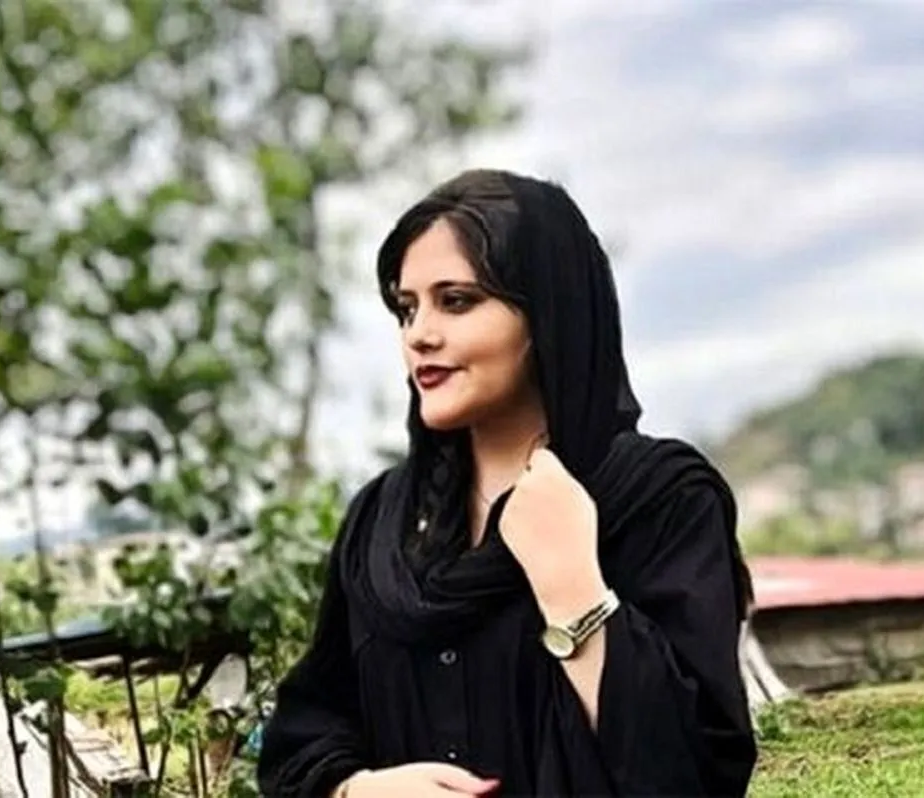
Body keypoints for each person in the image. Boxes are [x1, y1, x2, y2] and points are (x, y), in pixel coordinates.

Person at [256, 169, 758, 797]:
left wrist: (575, 591)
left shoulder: (658, 499)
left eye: (456, 301)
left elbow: (698, 772)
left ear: (548, 313)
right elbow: (306, 731)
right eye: (407, 308)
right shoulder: (382, 523)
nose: (419, 334)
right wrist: (357, 790)